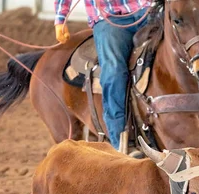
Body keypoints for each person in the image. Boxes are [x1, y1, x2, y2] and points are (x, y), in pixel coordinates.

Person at [54, 0, 151, 154]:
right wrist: (60, 18)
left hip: (148, 9)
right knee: (113, 71)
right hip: (110, 17)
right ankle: (120, 139)